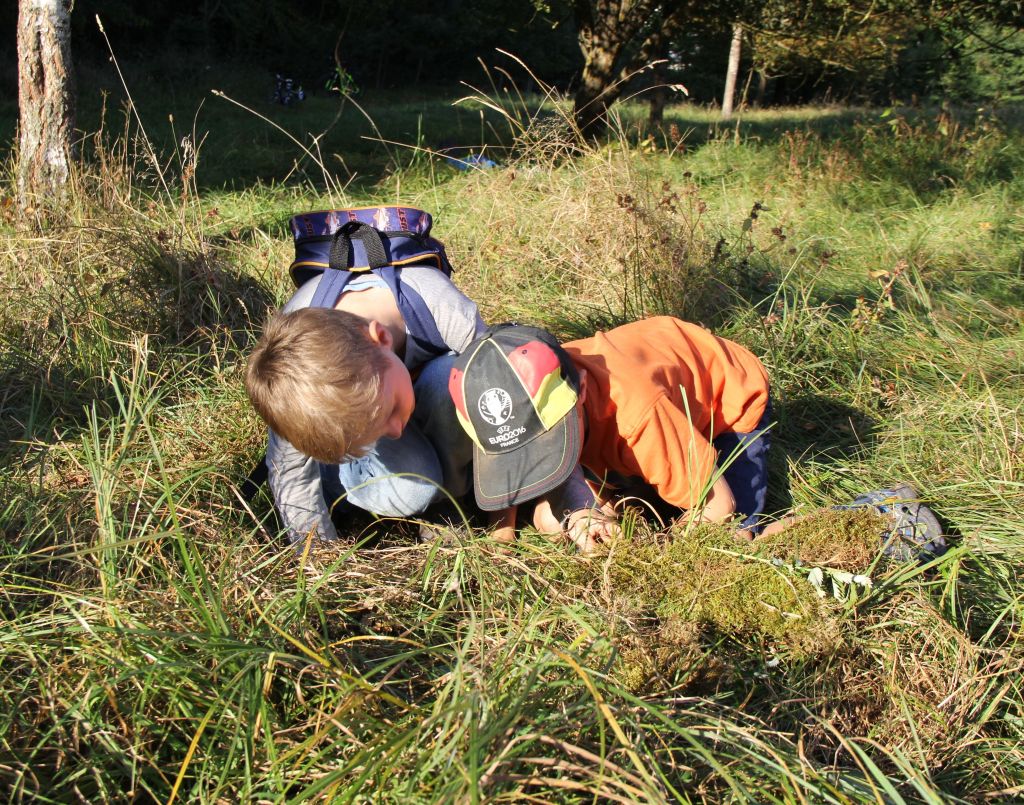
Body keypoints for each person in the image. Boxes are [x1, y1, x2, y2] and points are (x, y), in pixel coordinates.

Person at [448, 318, 946, 558]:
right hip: (647, 413)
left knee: (730, 546)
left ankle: (883, 517)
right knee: (560, 520)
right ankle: (646, 494)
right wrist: (507, 533)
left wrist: (667, 558)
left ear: (577, 403)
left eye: (540, 452)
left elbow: (716, 507)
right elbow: (526, 481)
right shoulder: (522, 391)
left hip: (725, 408)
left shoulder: (639, 415)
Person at [246, 260, 486, 544]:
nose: (396, 430)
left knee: (452, 377)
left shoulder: (443, 309)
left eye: (393, 410)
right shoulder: (292, 374)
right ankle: (336, 473)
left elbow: (500, 385)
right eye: (384, 424)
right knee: (413, 490)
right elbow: (290, 468)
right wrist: (317, 553)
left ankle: (449, 498)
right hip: (368, 419)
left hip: (431, 389)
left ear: (381, 337)